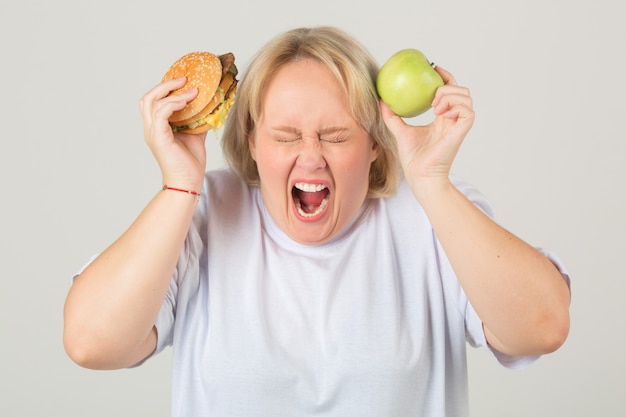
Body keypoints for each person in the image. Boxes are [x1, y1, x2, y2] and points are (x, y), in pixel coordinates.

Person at [63, 26, 571, 416]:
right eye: (285, 137)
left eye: (335, 135)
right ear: (252, 142)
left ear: (375, 142)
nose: (310, 158)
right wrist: (179, 186)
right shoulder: (202, 211)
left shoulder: (428, 210)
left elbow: (541, 327)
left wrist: (433, 181)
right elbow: (91, 342)